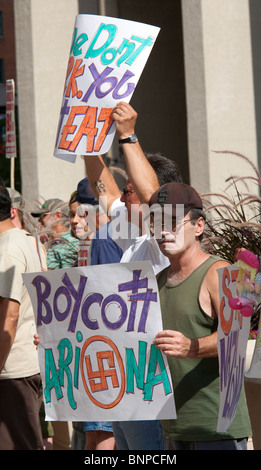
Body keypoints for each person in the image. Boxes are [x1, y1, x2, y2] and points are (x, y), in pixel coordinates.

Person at [83, 102, 183, 450]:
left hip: (149, 381)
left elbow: (153, 196)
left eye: (131, 192)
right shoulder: (131, 233)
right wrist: (87, 140)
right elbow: (103, 189)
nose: (123, 198)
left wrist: (127, 135)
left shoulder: (166, 241)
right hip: (125, 378)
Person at [150, 181, 252, 450]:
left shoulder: (224, 272)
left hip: (216, 431)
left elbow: (238, 338)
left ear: (199, 226)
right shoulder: (156, 281)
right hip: (172, 429)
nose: (163, 230)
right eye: (156, 221)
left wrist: (191, 347)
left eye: (172, 221)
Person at [69, 177, 122, 450]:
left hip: (104, 354)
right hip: (103, 351)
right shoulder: (99, 241)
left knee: (102, 434)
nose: (75, 220)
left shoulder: (103, 241)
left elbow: (104, 301)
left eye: (81, 212)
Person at [0, 183, 43, 449]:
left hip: (12, 370)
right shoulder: (26, 239)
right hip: (25, 364)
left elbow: (9, 316)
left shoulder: (6, 248)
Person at [31, 198, 78, 269]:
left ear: (58, 215)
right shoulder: (50, 244)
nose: (39, 220)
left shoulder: (69, 244)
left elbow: (69, 276)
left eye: (43, 216)